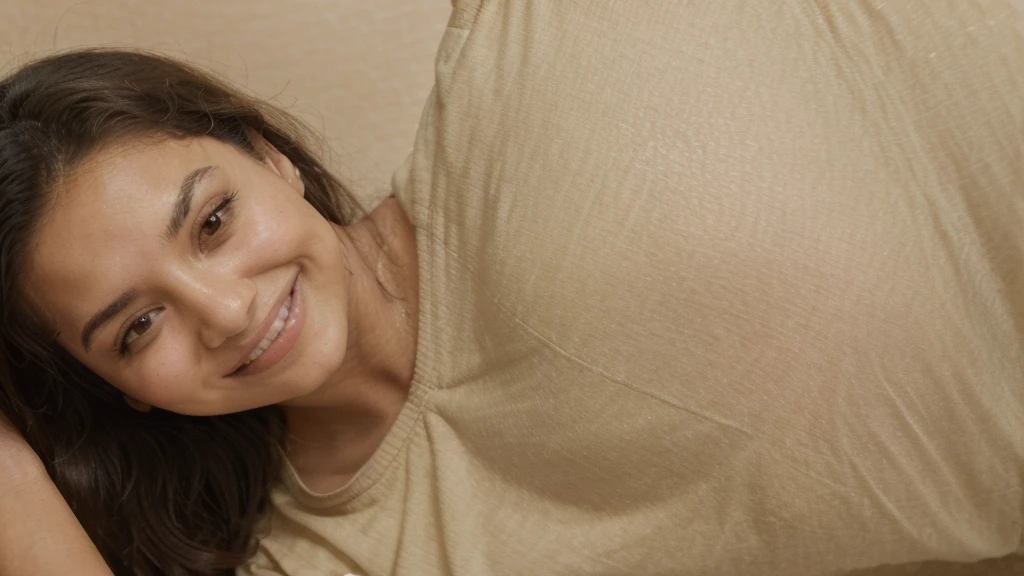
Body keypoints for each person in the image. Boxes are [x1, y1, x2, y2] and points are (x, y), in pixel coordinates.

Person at [2, 2, 1024, 576]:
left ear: (269, 156)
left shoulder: (519, 48)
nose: (222, 310)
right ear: (121, 390)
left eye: (212, 221)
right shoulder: (340, 556)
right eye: (137, 327)